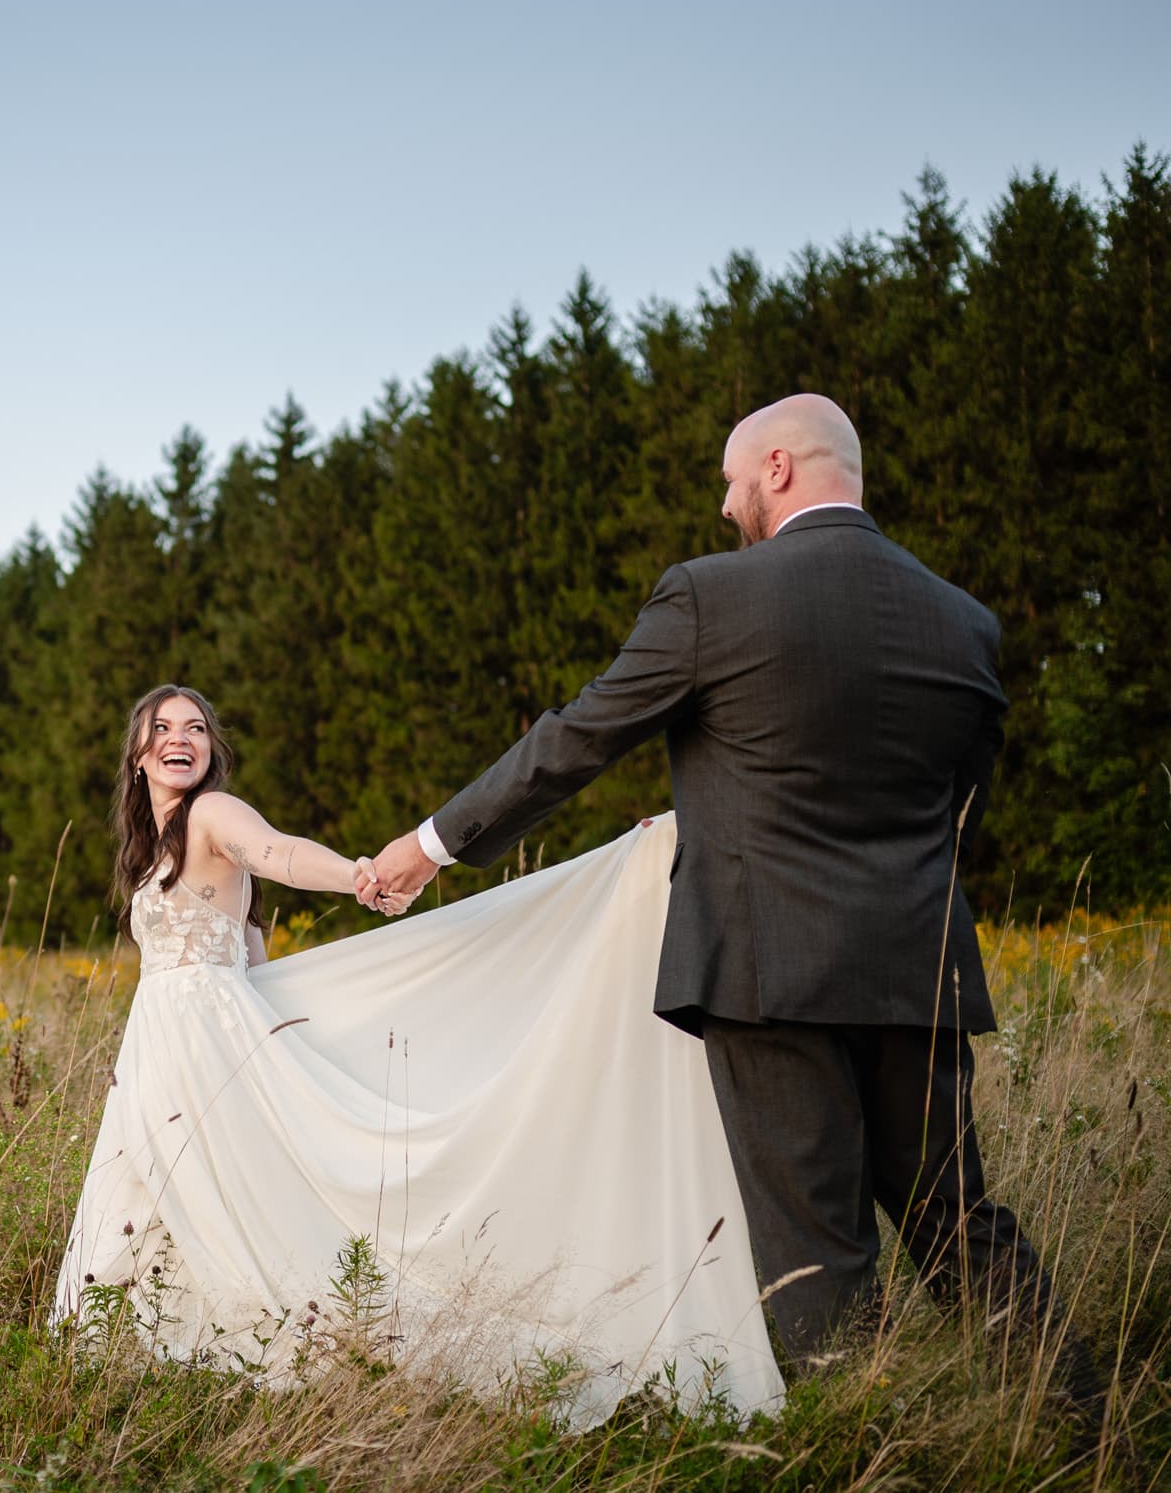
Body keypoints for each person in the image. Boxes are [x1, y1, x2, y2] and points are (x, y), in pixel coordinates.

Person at [362, 393, 1104, 1410]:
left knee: (819, 1246)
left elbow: (576, 740)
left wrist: (431, 843)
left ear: (782, 469)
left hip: (771, 968)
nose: (724, 505)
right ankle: (1083, 1427)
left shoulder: (713, 598)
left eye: (731, 478)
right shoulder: (964, 622)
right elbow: (959, 809)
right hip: (917, 964)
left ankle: (861, 1448)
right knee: (958, 1219)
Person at [50, 684, 784, 1427]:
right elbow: (248, 949)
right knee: (163, 1197)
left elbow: (277, 853)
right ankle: (156, 1351)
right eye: (163, 727)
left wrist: (356, 874)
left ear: (211, 750)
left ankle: (299, 1344)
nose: (182, 737)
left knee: (233, 1199)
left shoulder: (213, 812)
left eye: (196, 727)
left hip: (200, 1047)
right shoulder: (151, 844)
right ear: (138, 755)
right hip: (159, 1049)